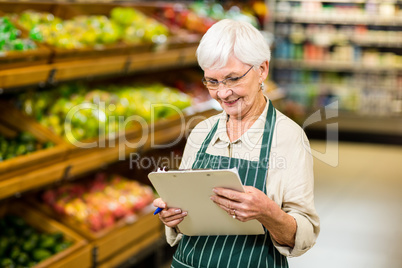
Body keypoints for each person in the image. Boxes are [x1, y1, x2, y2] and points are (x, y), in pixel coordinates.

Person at [153, 19, 320, 267]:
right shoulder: (202, 133)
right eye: (212, 81)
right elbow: (184, 222)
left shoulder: (288, 137)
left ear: (262, 69)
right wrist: (173, 215)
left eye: (233, 79)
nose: (222, 93)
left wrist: (268, 213)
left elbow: (303, 236)